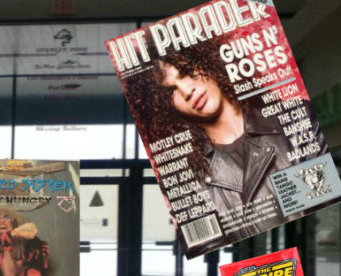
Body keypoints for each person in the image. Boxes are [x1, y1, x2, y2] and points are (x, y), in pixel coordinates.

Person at [125, 39, 327, 250]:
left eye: (186, 72)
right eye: (170, 91)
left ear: (208, 63)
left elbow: (322, 207)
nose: (187, 90)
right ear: (164, 108)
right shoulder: (184, 178)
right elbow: (210, 250)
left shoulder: (296, 119)